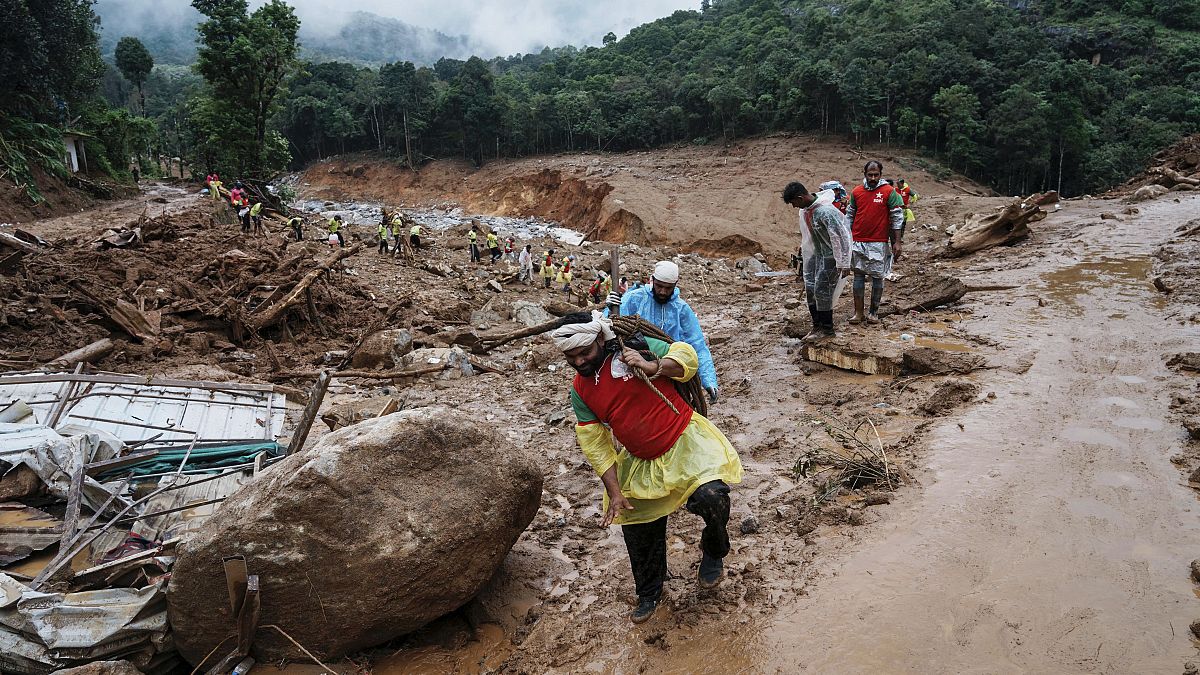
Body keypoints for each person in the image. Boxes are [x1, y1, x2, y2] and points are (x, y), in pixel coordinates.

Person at [552, 311, 742, 623]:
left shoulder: (636, 346)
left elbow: (686, 355)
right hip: (641, 460)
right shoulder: (581, 390)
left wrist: (653, 365)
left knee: (713, 497)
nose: (579, 362)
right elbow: (596, 444)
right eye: (571, 357)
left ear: (600, 339)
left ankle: (714, 549)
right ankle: (650, 592)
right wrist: (614, 492)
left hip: (685, 442)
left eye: (585, 353)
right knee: (637, 528)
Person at [607, 261, 720, 403]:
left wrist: (708, 381)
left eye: (668, 288)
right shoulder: (634, 299)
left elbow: (697, 346)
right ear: (652, 280)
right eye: (659, 286)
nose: (662, 292)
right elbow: (613, 326)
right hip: (635, 369)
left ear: (675, 285)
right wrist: (610, 309)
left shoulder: (681, 309)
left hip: (670, 372)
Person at [783, 181, 852, 341]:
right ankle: (817, 326)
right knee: (811, 289)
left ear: (800, 198)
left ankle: (827, 329)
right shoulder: (807, 210)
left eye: (793, 203)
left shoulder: (826, 212)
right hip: (816, 255)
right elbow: (809, 235)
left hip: (830, 257)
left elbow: (842, 237)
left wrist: (843, 262)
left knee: (823, 292)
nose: (794, 207)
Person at [845, 161, 904, 324]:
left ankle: (873, 312)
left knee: (878, 277)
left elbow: (897, 218)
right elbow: (849, 215)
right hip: (857, 240)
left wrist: (897, 242)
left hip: (878, 242)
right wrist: (846, 237)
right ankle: (858, 313)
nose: (873, 178)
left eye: (876, 175)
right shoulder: (856, 192)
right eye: (870, 175)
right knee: (858, 275)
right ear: (864, 173)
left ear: (880, 174)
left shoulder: (889, 192)